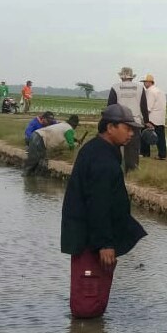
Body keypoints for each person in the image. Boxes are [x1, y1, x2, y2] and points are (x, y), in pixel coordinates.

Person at [60, 104, 146, 319]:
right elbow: (98, 204)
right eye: (127, 128)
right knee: (87, 305)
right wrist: (105, 244)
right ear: (110, 127)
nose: (131, 133)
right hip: (91, 238)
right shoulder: (102, 159)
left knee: (91, 295)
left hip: (88, 233)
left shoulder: (100, 149)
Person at [106, 66, 149, 173]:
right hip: (135, 122)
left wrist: (108, 121)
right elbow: (143, 106)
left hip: (119, 121)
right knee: (133, 148)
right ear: (132, 77)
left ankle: (117, 168)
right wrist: (147, 121)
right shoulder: (139, 88)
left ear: (121, 77)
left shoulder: (115, 88)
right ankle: (132, 170)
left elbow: (110, 106)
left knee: (117, 145)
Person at [141, 74, 167, 161]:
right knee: (161, 137)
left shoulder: (149, 91)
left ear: (149, 82)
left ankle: (145, 153)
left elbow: (148, 107)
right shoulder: (160, 91)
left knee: (144, 133)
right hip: (161, 118)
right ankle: (162, 154)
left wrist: (144, 119)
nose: (144, 84)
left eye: (145, 82)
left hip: (152, 118)